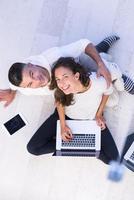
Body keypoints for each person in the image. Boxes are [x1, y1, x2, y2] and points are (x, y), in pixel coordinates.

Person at [27, 57, 119, 165]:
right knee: (33, 148)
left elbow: (108, 92)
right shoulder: (61, 88)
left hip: (91, 119)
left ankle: (84, 147)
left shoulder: (98, 82)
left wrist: (99, 114)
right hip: (66, 117)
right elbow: (59, 103)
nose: (61, 83)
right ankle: (79, 146)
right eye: (58, 79)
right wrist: (62, 125)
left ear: (76, 76)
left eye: (65, 76)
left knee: (114, 160)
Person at [0, 36, 120, 107]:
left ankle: (103, 56)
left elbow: (83, 43)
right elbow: (14, 85)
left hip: (78, 65)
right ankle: (100, 51)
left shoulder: (55, 55)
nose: (37, 80)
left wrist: (100, 64)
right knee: (105, 100)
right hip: (72, 84)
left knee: (106, 70)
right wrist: (11, 93)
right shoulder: (24, 88)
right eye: (30, 84)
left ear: (32, 64)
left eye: (32, 74)